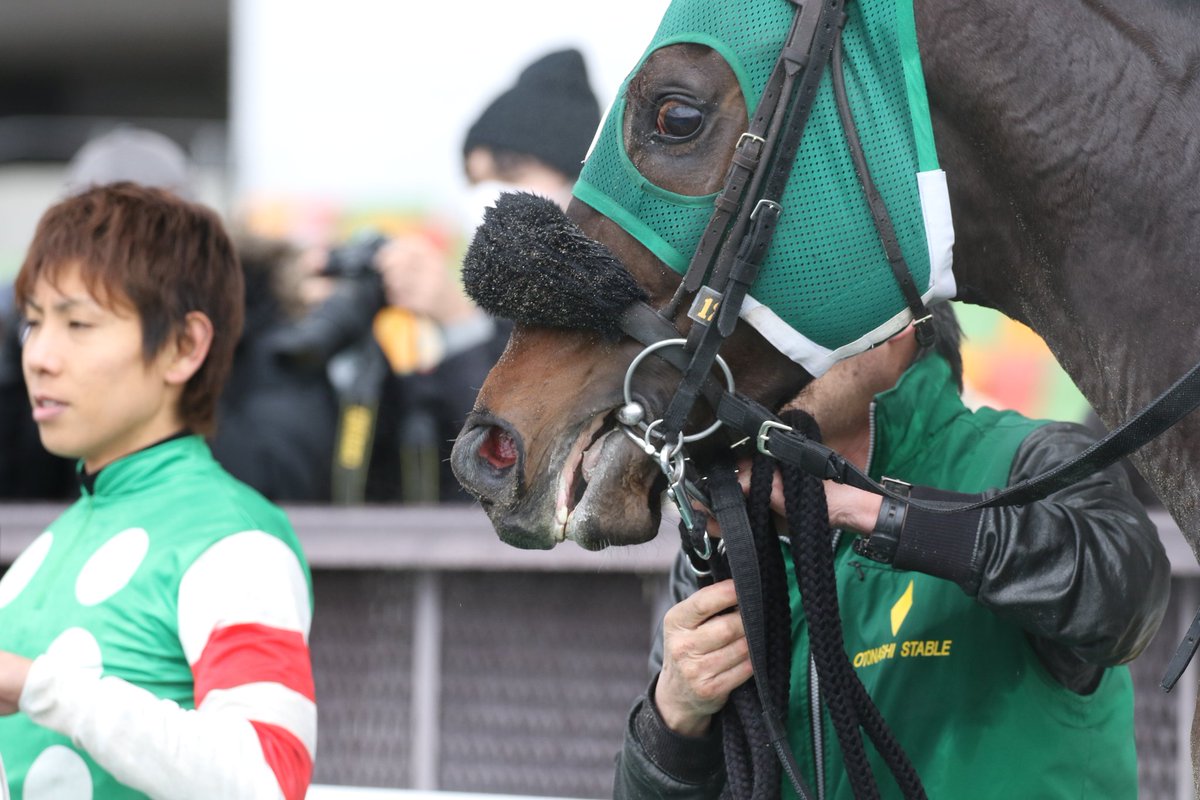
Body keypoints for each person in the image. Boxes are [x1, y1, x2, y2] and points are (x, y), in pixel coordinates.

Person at [614, 303, 1170, 798]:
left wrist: (877, 513)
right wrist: (673, 721)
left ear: (896, 323)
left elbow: (1127, 597)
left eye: (794, 322)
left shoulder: (1030, 458)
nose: (763, 354)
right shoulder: (731, 536)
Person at [0, 183, 316, 799]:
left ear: (184, 346)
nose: (39, 356)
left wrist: (42, 686)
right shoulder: (57, 537)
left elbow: (271, 777)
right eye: (33, 322)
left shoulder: (233, 538)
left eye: (78, 323)